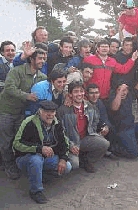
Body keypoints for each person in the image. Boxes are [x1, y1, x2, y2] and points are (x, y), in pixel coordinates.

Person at [0, 49, 47, 180]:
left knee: (18, 139)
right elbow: (9, 88)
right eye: (40, 58)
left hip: (22, 113)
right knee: (6, 140)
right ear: (31, 59)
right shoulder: (17, 71)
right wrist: (27, 96)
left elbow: (49, 86)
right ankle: (8, 165)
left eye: (44, 58)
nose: (42, 61)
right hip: (6, 111)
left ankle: (16, 162)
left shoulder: (42, 77)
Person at [13, 100, 72, 204]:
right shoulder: (29, 122)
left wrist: (63, 158)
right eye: (47, 112)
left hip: (47, 158)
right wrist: (39, 148)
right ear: (40, 111)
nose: (50, 115)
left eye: (53, 111)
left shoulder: (57, 123)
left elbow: (64, 143)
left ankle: (38, 176)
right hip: (25, 158)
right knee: (36, 160)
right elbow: (16, 144)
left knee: (67, 166)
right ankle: (36, 191)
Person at [57, 81, 110, 173]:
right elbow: (60, 132)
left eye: (81, 91)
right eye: (76, 91)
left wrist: (96, 134)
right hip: (71, 142)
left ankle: (88, 161)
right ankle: (78, 157)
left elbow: (95, 122)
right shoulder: (63, 110)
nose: (79, 94)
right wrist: (70, 145)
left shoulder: (90, 107)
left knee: (104, 143)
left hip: (85, 139)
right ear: (70, 94)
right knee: (74, 164)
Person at [108, 82, 138, 158]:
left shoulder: (129, 96)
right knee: (135, 154)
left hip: (131, 126)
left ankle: (130, 144)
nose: (122, 92)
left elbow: (137, 88)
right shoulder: (113, 98)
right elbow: (114, 107)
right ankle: (114, 148)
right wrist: (119, 93)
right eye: (119, 90)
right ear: (116, 91)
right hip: (121, 130)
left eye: (124, 90)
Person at [86, 83, 118, 160]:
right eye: (92, 93)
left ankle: (108, 150)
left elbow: (104, 117)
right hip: (87, 129)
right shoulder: (84, 104)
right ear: (87, 94)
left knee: (111, 128)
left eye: (96, 93)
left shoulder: (99, 103)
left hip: (97, 126)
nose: (94, 96)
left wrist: (106, 126)